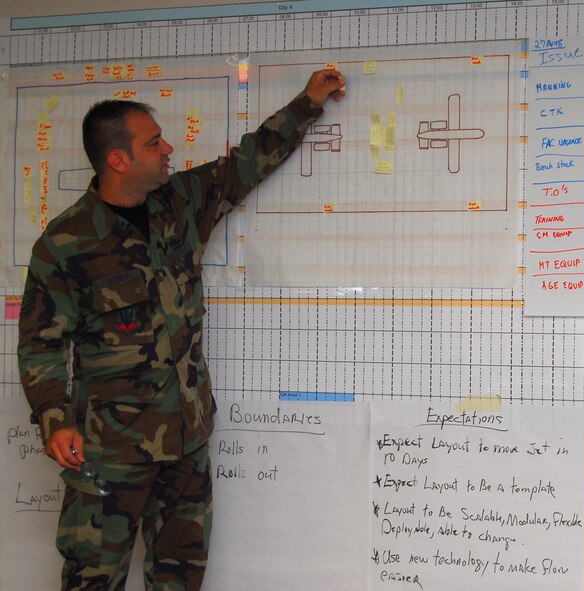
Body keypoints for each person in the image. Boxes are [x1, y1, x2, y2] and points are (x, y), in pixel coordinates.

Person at [17, 68, 346, 590]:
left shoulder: (181, 203)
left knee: (180, 578)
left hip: (187, 441)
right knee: (91, 579)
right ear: (118, 160)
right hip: (109, 450)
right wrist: (56, 420)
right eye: (153, 143)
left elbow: (247, 162)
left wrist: (308, 101)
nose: (168, 148)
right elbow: (41, 344)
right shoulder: (65, 244)